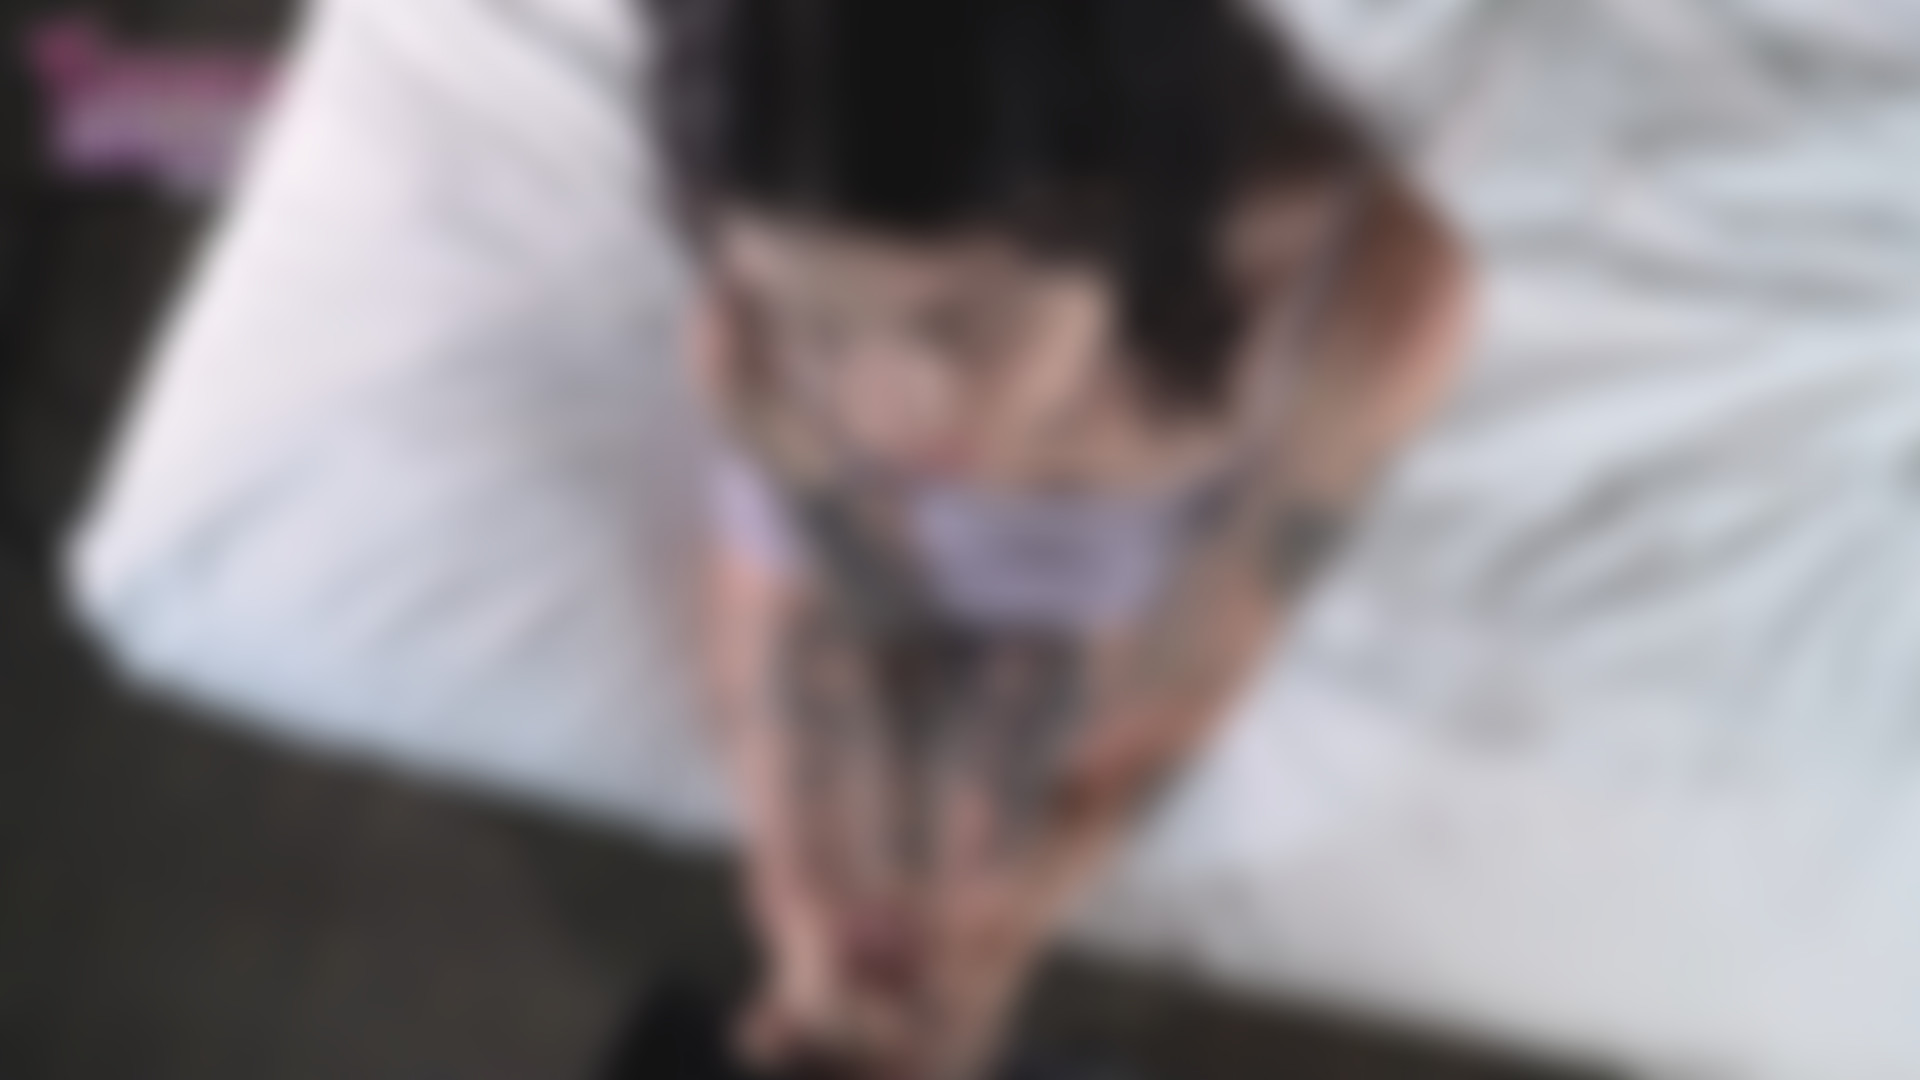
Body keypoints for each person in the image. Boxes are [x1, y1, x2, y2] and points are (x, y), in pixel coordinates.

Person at [642, 0, 1473, 1076]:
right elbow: (804, 599)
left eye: (958, 325)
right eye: (819, 322)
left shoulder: (1364, 293)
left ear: (1140, 202)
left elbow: (1203, 655)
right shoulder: (756, 298)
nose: (892, 407)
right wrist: (803, 898)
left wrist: (1014, 920)